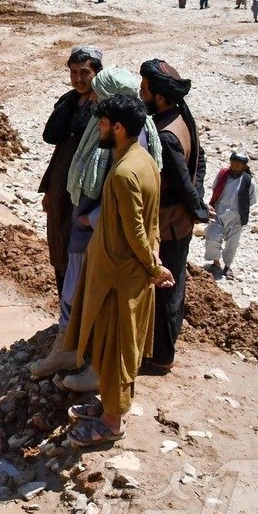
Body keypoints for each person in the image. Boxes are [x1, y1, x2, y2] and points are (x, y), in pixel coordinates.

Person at [33, 68, 162, 389]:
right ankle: (69, 350)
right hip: (88, 225)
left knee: (105, 303)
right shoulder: (102, 126)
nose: (90, 98)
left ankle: (98, 370)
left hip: (105, 233)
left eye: (97, 93)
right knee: (75, 291)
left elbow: (127, 202)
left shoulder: (132, 140)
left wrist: (91, 219)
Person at [61, 94, 173, 447]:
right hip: (121, 272)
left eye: (104, 123)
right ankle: (109, 406)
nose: (99, 128)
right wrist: (153, 259)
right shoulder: (142, 160)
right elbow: (150, 222)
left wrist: (155, 267)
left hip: (120, 277)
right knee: (115, 344)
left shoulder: (125, 173)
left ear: (119, 128)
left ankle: (112, 422)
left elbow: (136, 230)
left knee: (116, 349)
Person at [139, 59, 207, 375]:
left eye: (144, 89)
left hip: (169, 225)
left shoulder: (166, 134)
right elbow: (200, 162)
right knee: (174, 284)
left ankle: (161, 357)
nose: (140, 93)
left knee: (165, 288)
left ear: (159, 96)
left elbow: (181, 182)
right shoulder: (181, 116)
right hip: (179, 222)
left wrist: (197, 208)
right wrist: (197, 201)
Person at [39, 46, 103, 297]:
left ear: (97, 72)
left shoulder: (102, 108)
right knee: (59, 248)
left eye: (84, 72)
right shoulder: (69, 102)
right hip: (60, 189)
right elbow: (56, 144)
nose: (78, 78)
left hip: (84, 194)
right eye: (73, 72)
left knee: (79, 254)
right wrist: (48, 189)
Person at [205, 151, 258, 279]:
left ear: (244, 167)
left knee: (232, 243)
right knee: (212, 237)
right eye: (233, 164)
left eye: (237, 166)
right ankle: (215, 263)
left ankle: (227, 266)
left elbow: (251, 200)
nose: (234, 168)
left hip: (236, 217)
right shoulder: (223, 174)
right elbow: (215, 188)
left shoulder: (249, 182)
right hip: (218, 212)